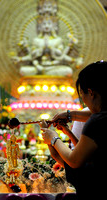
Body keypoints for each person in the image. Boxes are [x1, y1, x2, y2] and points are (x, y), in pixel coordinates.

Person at [41, 61, 107, 200]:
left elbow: (74, 160)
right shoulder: (100, 118)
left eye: (82, 95)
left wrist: (53, 138)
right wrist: (70, 118)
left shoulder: (96, 122)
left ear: (90, 93)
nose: (83, 101)